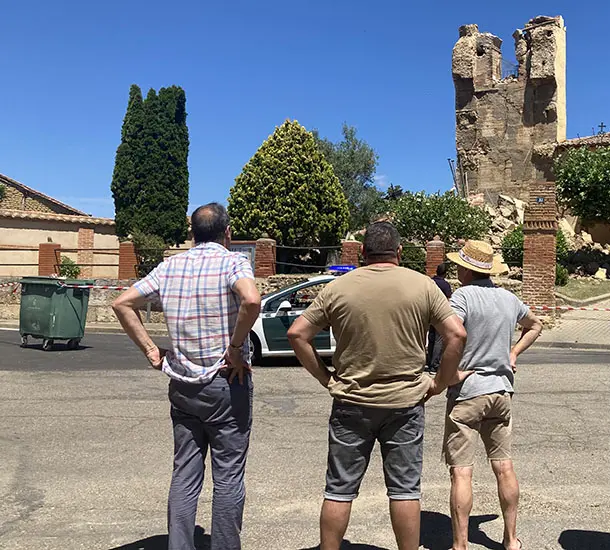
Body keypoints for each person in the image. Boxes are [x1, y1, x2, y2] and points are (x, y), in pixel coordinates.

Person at [286, 221, 467, 550]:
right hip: (405, 403)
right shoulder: (422, 286)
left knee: (339, 489)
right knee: (405, 490)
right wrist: (439, 382)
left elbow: (297, 334)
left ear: (363, 254)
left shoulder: (339, 288)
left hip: (351, 402)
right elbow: (457, 334)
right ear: (399, 252)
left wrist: (327, 379)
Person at [112, 203, 262, 550]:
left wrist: (151, 350)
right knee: (227, 476)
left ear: (192, 233)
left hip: (181, 384)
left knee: (184, 473)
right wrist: (236, 347)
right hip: (225, 382)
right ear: (228, 233)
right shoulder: (233, 262)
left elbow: (122, 303)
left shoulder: (170, 266)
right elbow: (251, 301)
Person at [438, 240, 543, 550]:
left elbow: (450, 336)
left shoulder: (462, 297)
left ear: (466, 269)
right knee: (504, 466)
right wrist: (513, 353)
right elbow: (535, 325)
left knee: (461, 472)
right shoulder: (509, 299)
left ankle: (460, 544)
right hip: (501, 391)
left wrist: (449, 376)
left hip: (468, 391)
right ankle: (511, 539)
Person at [427, 262, 453, 370]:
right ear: (445, 273)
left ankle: (429, 360)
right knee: (439, 339)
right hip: (440, 313)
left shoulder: (430, 282)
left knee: (431, 337)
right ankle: (435, 364)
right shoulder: (445, 285)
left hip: (429, 312)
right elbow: (448, 299)